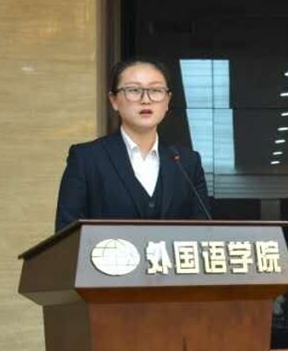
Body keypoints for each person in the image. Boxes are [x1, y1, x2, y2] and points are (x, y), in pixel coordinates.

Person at [54, 58, 211, 231]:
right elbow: (67, 234)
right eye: (134, 90)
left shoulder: (187, 162)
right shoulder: (86, 158)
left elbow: (204, 233)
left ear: (167, 101)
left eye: (156, 90)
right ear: (114, 100)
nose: (146, 100)